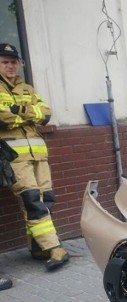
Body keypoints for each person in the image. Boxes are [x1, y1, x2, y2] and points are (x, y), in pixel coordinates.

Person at [0, 43, 68, 271]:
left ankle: (38, 247)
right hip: (15, 156)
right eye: (4, 62)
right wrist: (29, 113)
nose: (10, 66)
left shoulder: (27, 88)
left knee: (45, 198)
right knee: (32, 201)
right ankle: (55, 247)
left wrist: (19, 112)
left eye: (13, 62)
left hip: (39, 153)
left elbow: (46, 114)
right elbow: (2, 118)